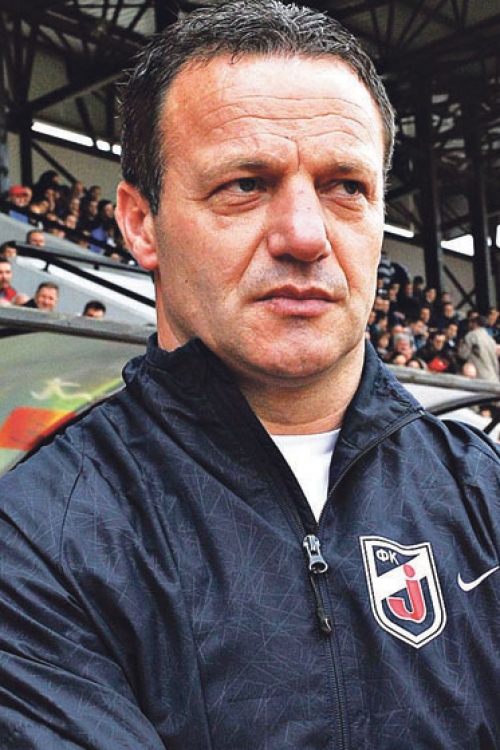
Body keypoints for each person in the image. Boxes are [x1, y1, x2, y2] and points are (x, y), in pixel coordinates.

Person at [1, 2, 500, 747]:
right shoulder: (40, 538)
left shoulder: (484, 491)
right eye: (244, 183)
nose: (305, 235)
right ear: (140, 223)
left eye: (345, 186)